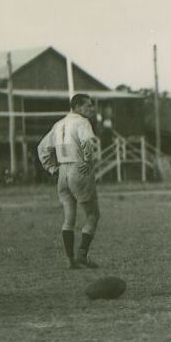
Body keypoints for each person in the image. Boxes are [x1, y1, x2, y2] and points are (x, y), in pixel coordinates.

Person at [37, 94, 103, 269]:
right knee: (93, 215)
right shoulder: (82, 122)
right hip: (78, 168)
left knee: (69, 218)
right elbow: (87, 143)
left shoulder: (58, 124)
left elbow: (42, 148)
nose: (92, 109)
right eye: (88, 106)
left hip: (63, 172)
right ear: (78, 107)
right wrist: (88, 161)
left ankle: (70, 259)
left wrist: (51, 168)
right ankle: (82, 254)